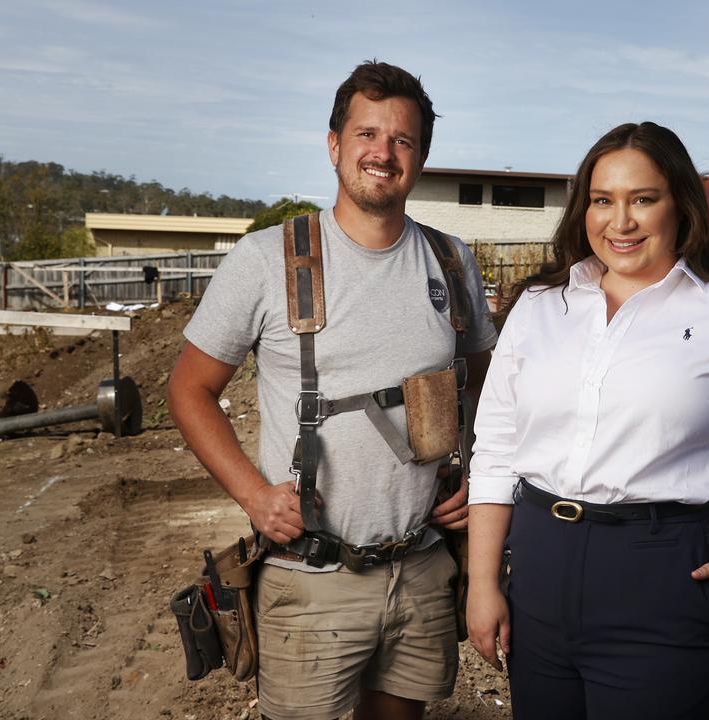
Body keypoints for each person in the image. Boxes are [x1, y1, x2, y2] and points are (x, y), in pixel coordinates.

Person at [464, 122, 709, 720]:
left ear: (680, 204)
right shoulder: (540, 308)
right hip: (538, 570)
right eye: (602, 200)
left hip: (662, 576)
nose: (621, 221)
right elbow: (497, 449)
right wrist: (483, 582)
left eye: (643, 199)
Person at [167, 61, 496, 720]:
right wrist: (255, 495)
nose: (383, 152)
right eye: (366, 133)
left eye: (402, 139)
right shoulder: (268, 261)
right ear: (334, 146)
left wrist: (478, 472)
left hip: (422, 564)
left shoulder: (451, 262)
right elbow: (188, 390)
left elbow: (488, 387)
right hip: (311, 578)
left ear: (421, 156)